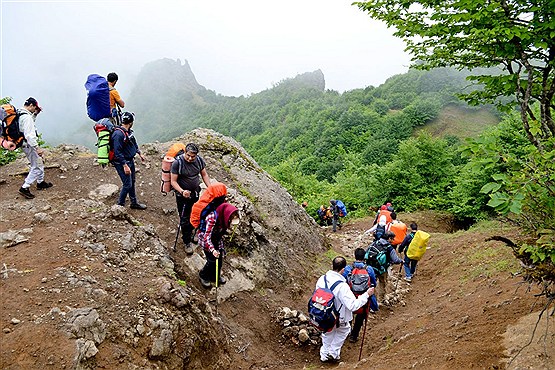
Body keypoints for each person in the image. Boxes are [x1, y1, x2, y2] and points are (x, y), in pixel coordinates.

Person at [315, 256, 371, 363]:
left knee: (327, 332)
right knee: (344, 330)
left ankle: (324, 355)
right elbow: (353, 305)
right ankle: (333, 353)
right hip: (338, 316)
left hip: (322, 313)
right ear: (343, 269)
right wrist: (366, 295)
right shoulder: (342, 286)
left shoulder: (322, 279)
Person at [170, 143, 211, 255]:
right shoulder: (177, 163)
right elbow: (173, 181)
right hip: (182, 196)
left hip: (195, 193)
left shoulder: (199, 161)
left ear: (196, 155)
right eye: (188, 155)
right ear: (185, 152)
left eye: (193, 156)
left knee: (196, 214)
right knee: (184, 218)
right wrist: (182, 191)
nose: (190, 158)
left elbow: (204, 175)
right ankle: (187, 241)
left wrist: (210, 188)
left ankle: (193, 234)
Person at [198, 201, 239, 288]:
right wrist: (212, 250)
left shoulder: (225, 217)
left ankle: (214, 276)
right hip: (206, 240)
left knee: (219, 260)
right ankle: (203, 275)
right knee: (212, 260)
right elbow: (207, 237)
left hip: (216, 239)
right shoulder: (212, 218)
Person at [17, 97, 53, 199]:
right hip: (29, 145)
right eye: (34, 107)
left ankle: (40, 183)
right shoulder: (27, 117)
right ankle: (25, 187)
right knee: (37, 165)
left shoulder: (20, 113)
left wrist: (35, 114)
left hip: (24, 144)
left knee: (39, 162)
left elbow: (26, 125)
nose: (35, 109)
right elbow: (29, 134)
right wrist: (37, 148)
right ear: (31, 105)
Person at [111, 111, 147, 209]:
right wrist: (125, 165)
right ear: (131, 122)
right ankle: (120, 206)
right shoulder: (118, 134)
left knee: (132, 181)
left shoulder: (128, 132)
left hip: (130, 160)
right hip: (122, 162)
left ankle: (134, 203)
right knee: (127, 184)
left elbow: (133, 142)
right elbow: (117, 152)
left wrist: (139, 153)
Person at [342, 248, 379, 343]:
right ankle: (354, 336)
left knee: (349, 314)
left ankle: (347, 332)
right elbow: (373, 283)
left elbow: (343, 281)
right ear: (364, 256)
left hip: (350, 296)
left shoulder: (348, 268)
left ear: (355, 256)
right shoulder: (369, 269)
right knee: (360, 318)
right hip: (363, 297)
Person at [367, 231, 403, 304]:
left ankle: (372, 300)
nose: (393, 241)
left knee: (371, 284)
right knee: (382, 283)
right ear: (389, 238)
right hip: (381, 269)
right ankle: (381, 299)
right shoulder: (389, 248)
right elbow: (395, 260)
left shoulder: (374, 243)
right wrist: (401, 261)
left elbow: (366, 252)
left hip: (370, 268)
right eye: (392, 239)